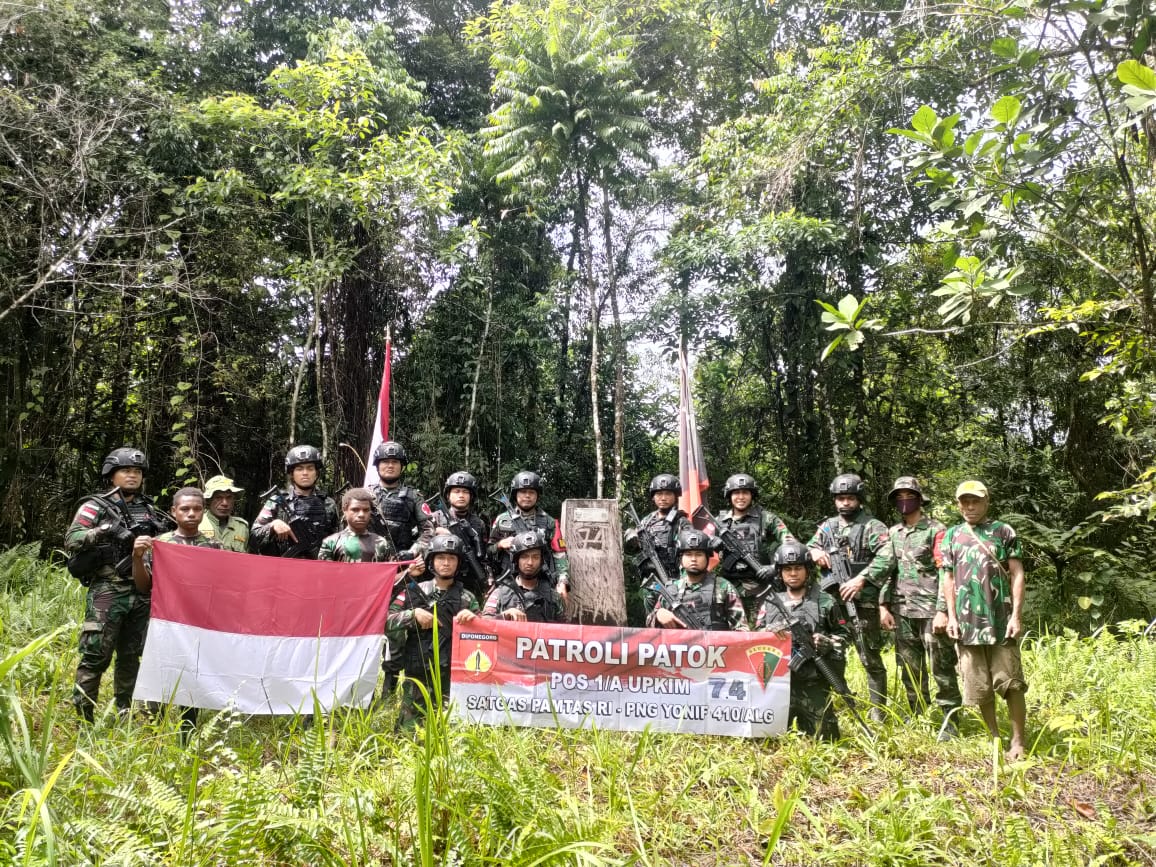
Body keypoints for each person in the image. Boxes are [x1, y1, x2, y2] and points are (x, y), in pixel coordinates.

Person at [64, 447, 169, 722]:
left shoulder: (147, 507)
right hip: (108, 590)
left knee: (131, 656)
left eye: (137, 472)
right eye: (126, 471)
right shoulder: (96, 506)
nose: (132, 475)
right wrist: (106, 530)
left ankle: (123, 710)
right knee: (95, 653)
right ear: (112, 475)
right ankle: (83, 714)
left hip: (141, 589)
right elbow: (73, 538)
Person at [861, 476, 961, 738]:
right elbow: (888, 571)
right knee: (910, 669)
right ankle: (918, 714)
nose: (904, 501)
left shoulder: (937, 530)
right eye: (899, 497)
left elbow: (946, 573)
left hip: (930, 612)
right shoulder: (894, 533)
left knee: (942, 668)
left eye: (909, 496)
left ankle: (950, 720)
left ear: (919, 498)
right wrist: (884, 606)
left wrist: (943, 610)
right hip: (902, 610)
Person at [939, 480, 1028, 760]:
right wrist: (951, 617)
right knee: (979, 686)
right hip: (967, 624)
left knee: (1011, 682)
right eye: (964, 502)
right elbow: (948, 578)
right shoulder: (952, 535)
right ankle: (994, 737)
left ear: (986, 501)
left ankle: (1018, 742)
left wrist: (1016, 615)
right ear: (958, 504)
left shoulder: (1003, 531)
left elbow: (1017, 573)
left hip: (1000, 619)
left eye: (975, 501)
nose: (970, 507)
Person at [132, 487, 222, 733]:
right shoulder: (161, 545)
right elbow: (143, 586)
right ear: (173, 511)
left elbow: (224, 588)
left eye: (197, 509)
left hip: (198, 624)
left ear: (203, 511)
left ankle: (187, 732)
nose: (191, 514)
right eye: (185, 509)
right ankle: (152, 732)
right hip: (164, 622)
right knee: (157, 672)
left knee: (192, 675)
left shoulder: (215, 547)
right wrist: (137, 558)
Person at [807, 473, 891, 721]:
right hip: (831, 604)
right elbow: (809, 546)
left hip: (862, 602)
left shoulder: (872, 526)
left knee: (869, 656)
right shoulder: (827, 527)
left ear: (859, 499)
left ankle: (879, 711)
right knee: (830, 651)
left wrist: (861, 579)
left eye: (850, 498)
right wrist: (814, 553)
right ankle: (840, 703)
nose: (845, 503)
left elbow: (887, 556)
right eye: (840, 498)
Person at [755, 541, 848, 740]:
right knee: (765, 739)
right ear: (780, 573)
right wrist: (769, 633)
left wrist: (828, 642)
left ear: (807, 570)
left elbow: (844, 636)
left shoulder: (825, 601)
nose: (793, 573)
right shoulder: (770, 603)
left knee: (827, 739)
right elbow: (754, 641)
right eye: (787, 569)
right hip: (776, 685)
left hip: (812, 683)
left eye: (798, 568)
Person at [386, 534, 480, 727]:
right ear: (431, 561)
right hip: (418, 675)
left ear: (459, 563)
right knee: (408, 735)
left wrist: (473, 620)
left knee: (451, 731)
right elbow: (386, 620)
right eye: (441, 558)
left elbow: (486, 634)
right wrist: (413, 615)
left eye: (452, 558)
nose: (446, 563)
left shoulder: (467, 598)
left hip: (453, 677)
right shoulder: (414, 591)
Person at [716, 473, 797, 624]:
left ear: (752, 495)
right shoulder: (719, 522)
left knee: (763, 628)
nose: (741, 497)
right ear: (729, 495)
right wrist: (711, 544)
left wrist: (775, 568)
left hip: (761, 586)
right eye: (736, 493)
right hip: (728, 586)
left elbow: (791, 547)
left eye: (745, 493)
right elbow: (695, 550)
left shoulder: (767, 519)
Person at [490, 471, 570, 603]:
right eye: (523, 492)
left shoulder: (549, 522)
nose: (527, 496)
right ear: (515, 495)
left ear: (537, 495)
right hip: (508, 581)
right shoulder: (502, 520)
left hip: (540, 582)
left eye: (532, 492)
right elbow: (488, 553)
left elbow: (559, 554)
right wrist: (499, 545)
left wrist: (562, 581)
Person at [647, 529, 747, 631]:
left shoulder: (723, 586)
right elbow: (649, 628)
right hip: (680, 646)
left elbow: (742, 630)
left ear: (707, 558)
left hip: (715, 646)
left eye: (699, 554)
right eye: (688, 554)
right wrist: (658, 615)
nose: (693, 559)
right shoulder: (671, 589)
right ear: (681, 558)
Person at [250, 445, 339, 559]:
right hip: (283, 569)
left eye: (310, 468)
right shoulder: (276, 501)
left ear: (316, 472)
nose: (305, 473)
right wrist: (273, 525)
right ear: (292, 473)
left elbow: (339, 541)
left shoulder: (328, 504)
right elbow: (253, 538)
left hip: (318, 569)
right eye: (299, 468)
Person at [366, 441, 433, 558]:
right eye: (385, 461)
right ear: (377, 466)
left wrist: (412, 552)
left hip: (402, 561)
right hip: (369, 561)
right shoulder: (365, 494)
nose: (390, 466)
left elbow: (428, 530)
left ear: (401, 466)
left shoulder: (413, 496)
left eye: (395, 462)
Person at [483, 529, 566, 623]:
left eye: (535, 557)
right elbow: (483, 625)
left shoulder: (553, 597)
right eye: (524, 557)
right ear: (516, 560)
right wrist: (504, 616)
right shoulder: (500, 593)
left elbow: (565, 630)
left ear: (542, 561)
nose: (530, 562)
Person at [429, 471, 490, 599]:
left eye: (465, 492)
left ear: (471, 496)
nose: (461, 495)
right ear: (448, 495)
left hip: (469, 579)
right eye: (456, 491)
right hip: (440, 578)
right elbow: (423, 546)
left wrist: (488, 578)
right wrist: (437, 534)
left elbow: (484, 556)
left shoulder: (478, 523)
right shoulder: (436, 518)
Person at [625, 473, 692, 580]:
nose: (663, 498)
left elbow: (690, 553)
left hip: (673, 577)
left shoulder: (681, 522)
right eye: (659, 494)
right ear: (653, 497)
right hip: (649, 578)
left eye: (668, 494)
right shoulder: (646, 521)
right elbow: (632, 550)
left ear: (675, 496)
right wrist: (632, 538)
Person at [317, 488, 397, 562]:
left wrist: (408, 572)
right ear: (345, 510)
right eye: (355, 510)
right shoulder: (331, 542)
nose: (361, 514)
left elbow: (389, 575)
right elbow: (323, 574)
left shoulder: (382, 543)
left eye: (366, 510)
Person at [199, 475, 249, 552]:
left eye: (229, 497)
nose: (225, 503)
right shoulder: (197, 523)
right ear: (208, 500)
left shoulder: (241, 527)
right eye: (218, 497)